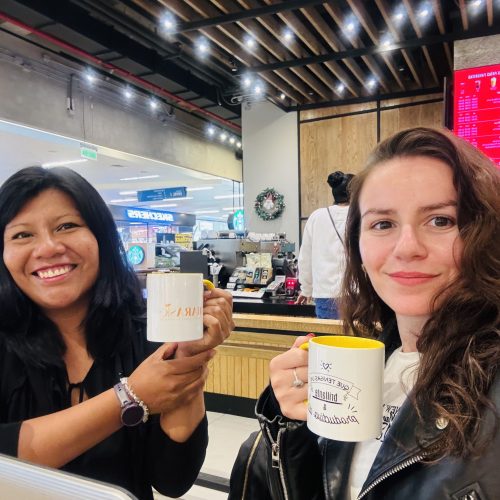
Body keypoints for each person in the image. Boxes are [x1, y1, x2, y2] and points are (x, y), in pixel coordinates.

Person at [230, 127, 499, 499]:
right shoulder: (374, 361)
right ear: (358, 246)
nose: (407, 248)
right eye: (383, 224)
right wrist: (290, 426)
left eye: (441, 220)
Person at [0, 166, 234, 499]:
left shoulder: (141, 334)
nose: (48, 248)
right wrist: (130, 397)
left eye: (66, 226)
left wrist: (188, 354)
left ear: (102, 237)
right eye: (22, 235)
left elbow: (173, 479)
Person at [296, 171, 354, 319]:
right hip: (358, 293)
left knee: (328, 333)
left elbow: (305, 258)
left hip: (325, 294)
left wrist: (306, 290)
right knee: (359, 334)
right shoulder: (361, 215)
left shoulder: (317, 217)